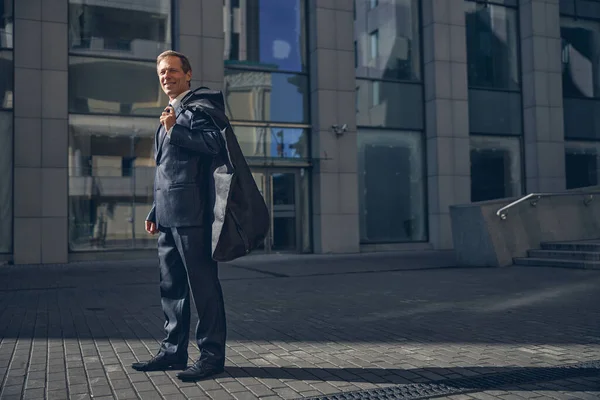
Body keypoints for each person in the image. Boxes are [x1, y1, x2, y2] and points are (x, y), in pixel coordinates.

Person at [131, 50, 228, 382]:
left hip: (194, 215)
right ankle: (174, 352)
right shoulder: (169, 114)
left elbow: (216, 144)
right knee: (171, 288)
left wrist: (175, 129)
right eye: (161, 72)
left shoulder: (201, 108)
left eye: (172, 70)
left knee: (204, 288)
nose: (165, 76)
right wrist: (155, 209)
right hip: (168, 216)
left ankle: (212, 357)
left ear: (188, 74)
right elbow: (166, 171)